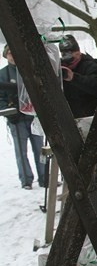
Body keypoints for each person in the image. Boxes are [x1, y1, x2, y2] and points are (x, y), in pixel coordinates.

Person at [0, 45, 45, 189]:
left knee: (40, 150)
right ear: (6, 55)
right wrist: (8, 111)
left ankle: (45, 178)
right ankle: (26, 180)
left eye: (14, 52)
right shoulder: (2, 74)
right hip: (16, 120)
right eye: (9, 53)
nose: (12, 56)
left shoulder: (28, 71)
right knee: (21, 152)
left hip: (34, 118)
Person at [58, 34, 97, 118]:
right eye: (65, 60)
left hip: (89, 116)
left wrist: (73, 77)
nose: (69, 64)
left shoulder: (89, 65)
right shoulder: (61, 68)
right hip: (70, 117)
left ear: (78, 54)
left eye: (71, 60)